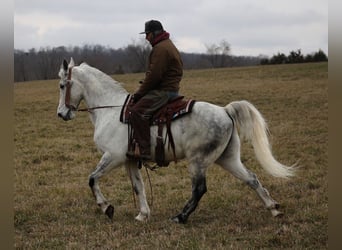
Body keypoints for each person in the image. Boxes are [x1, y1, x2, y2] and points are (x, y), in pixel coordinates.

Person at [126, 20, 183, 160]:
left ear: (154, 34)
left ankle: (144, 150)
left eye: (148, 34)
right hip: (169, 88)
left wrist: (139, 93)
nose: (146, 38)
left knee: (136, 112)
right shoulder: (167, 45)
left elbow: (154, 76)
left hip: (163, 91)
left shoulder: (161, 49)